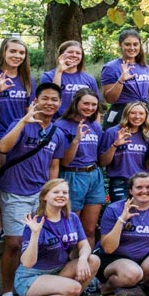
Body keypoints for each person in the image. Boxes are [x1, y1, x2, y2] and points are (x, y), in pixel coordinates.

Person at [0, 83, 64, 296]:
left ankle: (30, 286)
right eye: (45, 98)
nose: (50, 103)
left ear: (60, 103)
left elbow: (54, 167)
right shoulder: (21, 123)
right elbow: (3, 148)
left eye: (54, 99)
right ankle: (6, 292)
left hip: (40, 195)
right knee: (14, 243)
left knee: (39, 243)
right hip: (15, 192)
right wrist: (24, 121)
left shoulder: (57, 132)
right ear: (36, 100)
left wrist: (50, 196)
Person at [15, 178, 97, 296]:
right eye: (56, 192)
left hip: (59, 270)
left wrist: (82, 259)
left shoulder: (71, 218)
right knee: (74, 288)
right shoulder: (36, 221)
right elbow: (27, 263)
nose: (61, 195)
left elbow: (84, 245)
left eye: (65, 192)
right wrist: (35, 234)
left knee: (93, 260)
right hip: (32, 277)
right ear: (44, 196)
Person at [97, 172, 149, 293]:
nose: (144, 191)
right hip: (113, 260)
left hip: (144, 259)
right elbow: (108, 249)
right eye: (139, 187)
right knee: (132, 273)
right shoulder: (114, 209)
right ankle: (106, 287)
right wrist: (121, 220)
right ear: (131, 191)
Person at [54, 89, 107, 239]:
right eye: (86, 103)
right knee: (71, 229)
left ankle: (87, 261)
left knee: (89, 230)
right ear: (76, 103)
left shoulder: (95, 126)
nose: (90, 108)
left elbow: (99, 156)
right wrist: (76, 140)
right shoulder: (62, 126)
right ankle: (70, 261)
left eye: (94, 105)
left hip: (94, 175)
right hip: (73, 175)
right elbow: (64, 161)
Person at [97, 98, 149, 205]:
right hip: (120, 182)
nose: (137, 117)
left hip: (142, 182)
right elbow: (102, 162)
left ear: (146, 116)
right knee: (121, 217)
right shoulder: (112, 132)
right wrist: (115, 145)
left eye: (141, 113)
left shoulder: (147, 135)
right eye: (133, 113)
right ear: (126, 114)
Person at [98, 29, 149, 121]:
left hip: (142, 112)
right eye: (127, 44)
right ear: (120, 45)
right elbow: (109, 99)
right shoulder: (111, 67)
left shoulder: (144, 67)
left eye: (135, 44)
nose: (132, 48)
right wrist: (121, 81)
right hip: (122, 113)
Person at [39, 39, 99, 113]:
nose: (74, 55)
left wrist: (95, 124)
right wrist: (59, 71)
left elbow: (96, 105)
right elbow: (51, 96)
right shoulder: (48, 76)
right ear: (61, 55)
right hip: (56, 121)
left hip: (82, 121)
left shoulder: (89, 79)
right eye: (70, 52)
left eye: (78, 53)